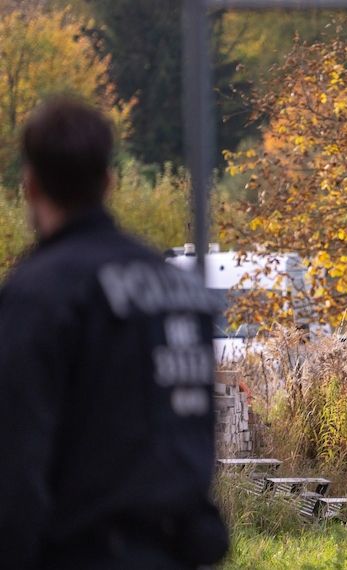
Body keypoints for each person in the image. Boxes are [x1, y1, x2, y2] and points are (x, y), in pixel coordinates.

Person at [0, 98, 228, 567]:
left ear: (30, 185)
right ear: (108, 181)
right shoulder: (180, 290)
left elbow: (16, 463)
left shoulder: (38, 296)